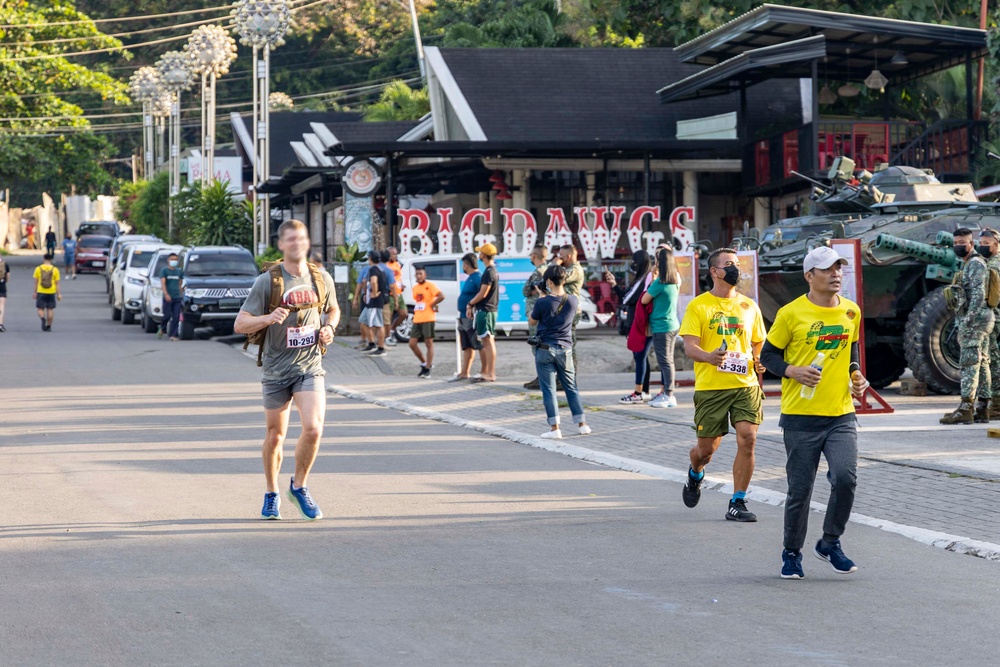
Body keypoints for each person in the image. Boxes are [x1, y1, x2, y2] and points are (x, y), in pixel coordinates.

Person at [760, 246, 870, 579]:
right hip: (800, 418)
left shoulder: (851, 312)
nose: (836, 274)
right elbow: (768, 356)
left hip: (840, 414)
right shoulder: (791, 314)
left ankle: (830, 542)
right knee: (800, 491)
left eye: (839, 268)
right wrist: (792, 370)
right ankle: (791, 552)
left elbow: (850, 349)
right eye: (828, 269)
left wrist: (856, 374)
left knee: (846, 478)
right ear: (810, 276)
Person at [234, 219, 338, 521]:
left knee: (314, 428)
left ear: (308, 242)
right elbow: (240, 324)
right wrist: (267, 318)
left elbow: (333, 308)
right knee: (275, 436)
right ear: (282, 245)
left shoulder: (321, 278)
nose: (297, 243)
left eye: (302, 238)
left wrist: (329, 327)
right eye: (291, 239)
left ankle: (299, 486)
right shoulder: (268, 281)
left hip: (310, 367)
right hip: (276, 370)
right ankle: (271, 492)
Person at [678, 247, 767, 522]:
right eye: (729, 264)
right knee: (706, 451)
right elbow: (690, 347)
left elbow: (758, 339)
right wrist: (709, 357)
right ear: (714, 271)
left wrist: (758, 359)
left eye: (737, 264)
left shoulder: (749, 305)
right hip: (712, 388)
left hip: (745, 384)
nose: (735, 269)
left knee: (748, 438)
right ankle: (695, 474)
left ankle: (738, 501)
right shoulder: (699, 305)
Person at [528, 264, 592, 439]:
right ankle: (582, 425)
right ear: (564, 280)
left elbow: (532, 322)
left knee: (549, 390)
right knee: (571, 388)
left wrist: (542, 297)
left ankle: (555, 429)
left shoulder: (542, 302)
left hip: (545, 350)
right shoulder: (573, 300)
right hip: (566, 349)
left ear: (548, 281)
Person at [941, 227, 994, 425]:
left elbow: (979, 295)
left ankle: (965, 409)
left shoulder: (975, 264)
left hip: (976, 320)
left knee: (969, 363)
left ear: (971, 244)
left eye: (962, 243)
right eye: (955, 243)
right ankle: (982, 408)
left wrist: (968, 320)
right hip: (981, 319)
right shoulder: (968, 264)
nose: (958, 246)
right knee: (981, 363)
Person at [606, 250, 655, 402]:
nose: (632, 264)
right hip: (638, 322)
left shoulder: (644, 279)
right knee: (641, 357)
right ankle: (644, 391)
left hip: (639, 323)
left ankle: (638, 393)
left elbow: (627, 298)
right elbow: (626, 296)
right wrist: (614, 284)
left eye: (634, 261)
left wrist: (615, 287)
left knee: (640, 357)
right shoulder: (641, 278)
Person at [641, 246, 681, 408]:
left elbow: (644, 299)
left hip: (661, 326)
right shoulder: (675, 281)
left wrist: (653, 277)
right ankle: (667, 394)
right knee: (668, 361)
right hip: (672, 324)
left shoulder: (660, 283)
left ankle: (669, 395)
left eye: (657, 259)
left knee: (665, 362)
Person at [466, 243, 499, 382]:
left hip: (486, 310)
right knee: (488, 341)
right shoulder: (493, 271)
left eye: (480, 253)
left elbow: (483, 293)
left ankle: (490, 373)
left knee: (488, 341)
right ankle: (490, 373)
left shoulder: (488, 272)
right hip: (489, 310)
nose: (479, 255)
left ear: (484, 255)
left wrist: (470, 303)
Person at [448, 253, 482, 382]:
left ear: (467, 265)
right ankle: (465, 372)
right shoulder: (470, 278)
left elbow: (482, 294)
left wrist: (472, 307)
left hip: (471, 316)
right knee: (466, 345)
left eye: (464, 264)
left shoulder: (478, 278)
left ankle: (484, 370)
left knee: (477, 343)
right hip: (463, 316)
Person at [978, 229, 1000, 420]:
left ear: (996, 243)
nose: (983, 246)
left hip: (995, 318)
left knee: (994, 361)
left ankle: (997, 405)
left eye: (987, 243)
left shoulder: (993, 265)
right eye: (981, 243)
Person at [408, 264, 445, 378]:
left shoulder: (430, 286)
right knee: (412, 343)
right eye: (417, 274)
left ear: (425, 275)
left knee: (428, 343)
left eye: (421, 274)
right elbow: (419, 302)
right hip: (418, 318)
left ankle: (428, 367)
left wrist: (432, 304)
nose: (419, 276)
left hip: (428, 317)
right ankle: (424, 363)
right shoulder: (415, 288)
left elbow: (441, 296)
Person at [522, 245, 550, 390]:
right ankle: (542, 377)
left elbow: (526, 290)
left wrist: (531, 290)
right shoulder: (548, 270)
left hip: (536, 314)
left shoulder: (538, 272)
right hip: (543, 313)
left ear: (534, 255)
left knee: (537, 347)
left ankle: (542, 379)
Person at [559, 244, 585, 367]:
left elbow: (558, 278)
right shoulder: (570, 269)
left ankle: (569, 379)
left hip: (570, 311)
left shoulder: (575, 269)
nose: (559, 258)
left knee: (568, 345)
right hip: (564, 310)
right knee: (563, 345)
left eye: (561, 256)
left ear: (568, 256)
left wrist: (555, 264)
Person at [359, 251, 388, 356]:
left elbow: (374, 281)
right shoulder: (380, 269)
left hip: (375, 301)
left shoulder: (373, 269)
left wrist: (374, 293)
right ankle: (371, 343)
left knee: (378, 324)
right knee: (363, 320)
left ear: (370, 258)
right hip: (370, 301)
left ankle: (381, 347)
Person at [384, 247, 408, 345]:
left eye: (396, 254)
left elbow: (398, 277)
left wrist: (401, 285)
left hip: (399, 293)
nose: (395, 256)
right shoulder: (386, 265)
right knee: (388, 316)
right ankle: (387, 336)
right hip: (390, 293)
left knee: (404, 313)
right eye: (393, 254)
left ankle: (392, 329)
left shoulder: (397, 264)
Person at [159, 252, 184, 341]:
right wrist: (166, 294)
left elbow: (180, 283)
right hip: (168, 297)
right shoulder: (164, 271)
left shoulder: (179, 271)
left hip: (177, 297)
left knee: (176, 317)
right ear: (168, 260)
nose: (174, 261)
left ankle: (173, 335)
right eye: (172, 259)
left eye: (175, 260)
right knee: (166, 316)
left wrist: (181, 292)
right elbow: (163, 283)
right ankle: (162, 328)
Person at [32, 253, 61, 332]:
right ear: (51, 260)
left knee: (40, 308)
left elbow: (36, 282)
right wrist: (59, 294)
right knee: (50, 309)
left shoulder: (38, 268)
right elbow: (57, 283)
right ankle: (49, 325)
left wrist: (34, 292)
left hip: (41, 291)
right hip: (51, 291)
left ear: (43, 259)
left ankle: (42, 318)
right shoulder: (55, 269)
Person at [0, 254, 9, 332]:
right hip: (2, 286)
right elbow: (8, 277)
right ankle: (1, 324)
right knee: (2, 306)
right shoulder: (5, 264)